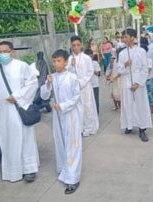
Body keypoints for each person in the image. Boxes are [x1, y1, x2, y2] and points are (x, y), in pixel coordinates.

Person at [0, 41, 39, 183]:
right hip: (4, 112)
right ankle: (13, 171)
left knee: (25, 139)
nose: (2, 54)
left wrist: (18, 97)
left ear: (12, 52)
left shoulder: (22, 66)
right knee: (8, 141)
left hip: (20, 109)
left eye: (5, 51)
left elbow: (32, 83)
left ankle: (29, 170)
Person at [40, 49, 82, 194]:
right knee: (60, 143)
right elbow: (44, 96)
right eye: (54, 61)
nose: (56, 64)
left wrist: (63, 105)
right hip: (58, 117)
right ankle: (64, 169)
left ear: (65, 61)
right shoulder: (53, 77)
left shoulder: (72, 77)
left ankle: (73, 179)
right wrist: (47, 84)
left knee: (72, 146)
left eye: (59, 61)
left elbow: (76, 97)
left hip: (70, 115)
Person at [117, 28, 153, 142]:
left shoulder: (141, 51)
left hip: (138, 82)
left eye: (125, 37)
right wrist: (125, 65)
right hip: (126, 80)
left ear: (132, 38)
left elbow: (144, 68)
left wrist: (138, 83)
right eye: (123, 37)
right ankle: (129, 125)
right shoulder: (122, 53)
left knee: (140, 105)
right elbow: (119, 69)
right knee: (128, 104)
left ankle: (142, 129)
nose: (123, 39)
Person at [67, 36, 99, 136]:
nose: (75, 47)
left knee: (87, 107)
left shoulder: (86, 58)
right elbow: (67, 72)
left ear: (81, 45)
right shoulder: (69, 59)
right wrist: (71, 65)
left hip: (85, 87)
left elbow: (90, 72)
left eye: (77, 45)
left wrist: (81, 83)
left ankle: (88, 128)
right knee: (77, 108)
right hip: (74, 87)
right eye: (73, 45)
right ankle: (79, 127)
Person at [140, 38, 153, 114]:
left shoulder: (149, 58)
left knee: (151, 93)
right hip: (143, 79)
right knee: (146, 95)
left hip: (148, 78)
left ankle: (152, 107)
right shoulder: (139, 58)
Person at [84, 48, 101, 115]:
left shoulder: (95, 63)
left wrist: (93, 70)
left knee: (95, 100)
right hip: (86, 85)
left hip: (95, 85)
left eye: (90, 56)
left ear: (92, 56)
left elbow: (99, 74)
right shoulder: (82, 64)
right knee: (88, 101)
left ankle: (96, 113)